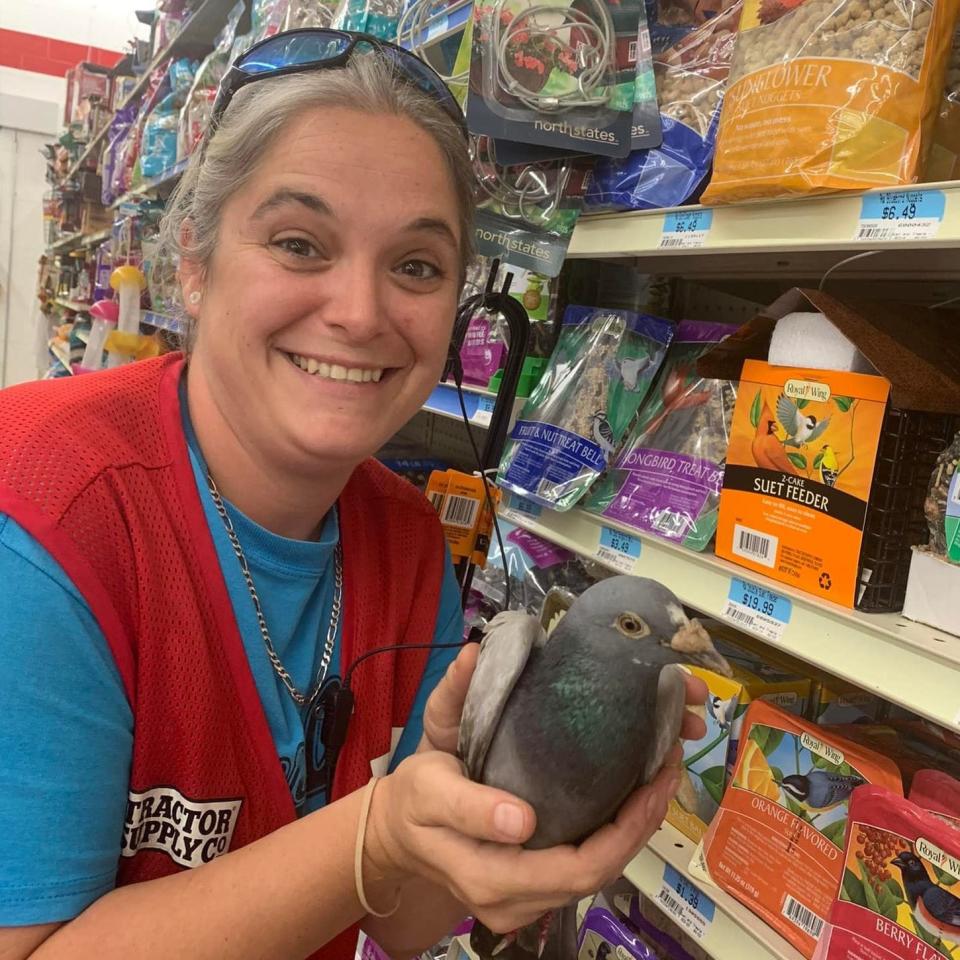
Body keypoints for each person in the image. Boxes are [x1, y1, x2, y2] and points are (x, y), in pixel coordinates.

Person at [0, 30, 706, 960]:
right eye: (300, 243)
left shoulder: (408, 542)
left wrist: (490, 815)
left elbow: (400, 922)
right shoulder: (43, 508)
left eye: (417, 266)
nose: (361, 313)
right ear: (194, 263)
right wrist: (376, 829)